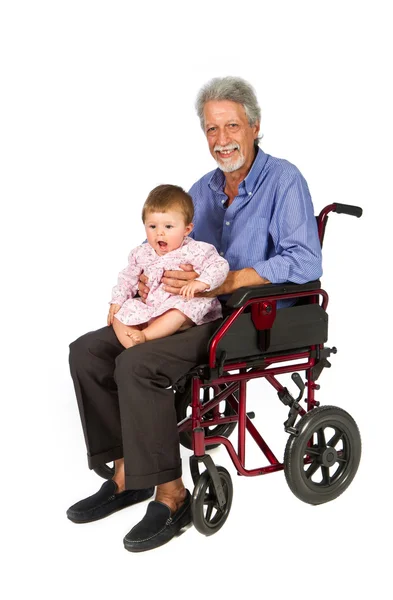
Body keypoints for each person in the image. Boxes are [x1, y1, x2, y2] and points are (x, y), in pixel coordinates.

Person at [67, 76, 322, 553]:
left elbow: (307, 262)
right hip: (184, 310)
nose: (222, 140)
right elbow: (163, 247)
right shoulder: (199, 190)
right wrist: (148, 280)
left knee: (138, 364)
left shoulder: (284, 180)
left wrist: (234, 280)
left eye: (231, 126)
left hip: (248, 318)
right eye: (211, 129)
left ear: (254, 126)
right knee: (86, 352)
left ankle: (172, 494)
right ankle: (127, 475)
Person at [108, 183, 229, 349]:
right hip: (151, 307)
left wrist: (201, 282)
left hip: (182, 309)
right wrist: (118, 300)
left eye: (168, 227)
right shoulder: (141, 253)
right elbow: (127, 278)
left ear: (187, 229)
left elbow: (219, 265)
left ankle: (145, 336)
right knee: (119, 314)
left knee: (180, 309)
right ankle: (132, 347)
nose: (160, 233)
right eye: (152, 226)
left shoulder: (194, 250)